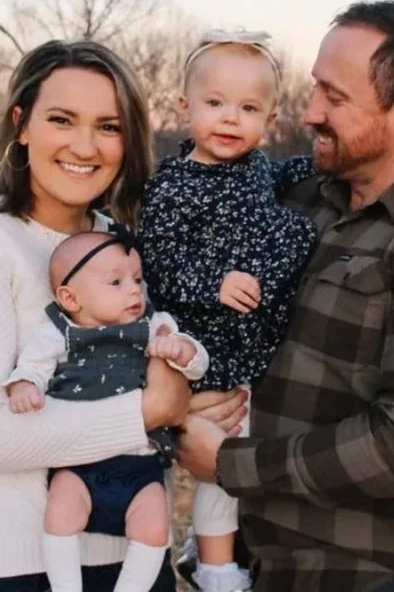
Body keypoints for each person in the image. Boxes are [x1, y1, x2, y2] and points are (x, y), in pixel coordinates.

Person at [177, 0, 394, 592]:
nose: (310, 111)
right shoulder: (303, 199)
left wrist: (231, 464)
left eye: (334, 97)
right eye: (315, 86)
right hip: (262, 570)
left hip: (372, 577)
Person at [0, 39, 246, 592]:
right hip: (4, 568)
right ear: (21, 125)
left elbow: (154, 369)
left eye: (108, 127)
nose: (85, 146)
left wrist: (184, 412)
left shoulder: (122, 244)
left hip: (132, 558)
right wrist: (150, 411)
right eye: (61, 119)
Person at [138, 29, 320, 592]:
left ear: (269, 119)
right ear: (185, 106)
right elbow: (160, 261)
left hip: (249, 347)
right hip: (198, 345)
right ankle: (183, 562)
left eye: (247, 109)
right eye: (215, 103)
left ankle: (217, 560)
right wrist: (214, 282)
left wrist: (323, 164)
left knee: (229, 463)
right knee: (190, 462)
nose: (229, 119)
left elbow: (289, 174)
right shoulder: (173, 186)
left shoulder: (259, 168)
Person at [3, 229, 209, 592]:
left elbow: (197, 363)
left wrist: (182, 350)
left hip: (141, 466)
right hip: (79, 464)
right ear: (70, 297)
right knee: (60, 512)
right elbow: (33, 365)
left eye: (137, 279)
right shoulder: (59, 333)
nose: (134, 291)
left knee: (154, 528)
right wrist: (24, 385)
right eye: (116, 282)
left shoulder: (154, 325)